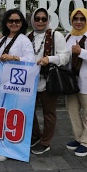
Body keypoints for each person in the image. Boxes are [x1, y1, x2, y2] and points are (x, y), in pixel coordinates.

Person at [27, 8, 70, 156]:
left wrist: (49, 59)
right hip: (30, 80)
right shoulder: (28, 36)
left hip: (48, 80)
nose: (40, 21)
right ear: (33, 20)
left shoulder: (55, 35)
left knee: (49, 112)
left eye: (43, 19)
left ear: (48, 20)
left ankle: (45, 142)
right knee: (29, 111)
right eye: (37, 18)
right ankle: (35, 136)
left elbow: (65, 56)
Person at [0, 9, 35, 161]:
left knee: (11, 114)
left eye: (17, 21)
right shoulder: (2, 39)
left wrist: (14, 57)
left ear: (22, 23)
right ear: (6, 22)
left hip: (15, 83)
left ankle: (8, 148)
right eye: (11, 21)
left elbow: (31, 60)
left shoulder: (24, 40)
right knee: (1, 113)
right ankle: (1, 143)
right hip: (1, 82)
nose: (14, 24)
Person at [64, 8, 87, 157]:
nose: (78, 22)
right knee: (72, 111)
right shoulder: (68, 36)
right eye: (75, 19)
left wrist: (82, 52)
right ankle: (79, 138)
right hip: (71, 80)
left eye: (82, 19)